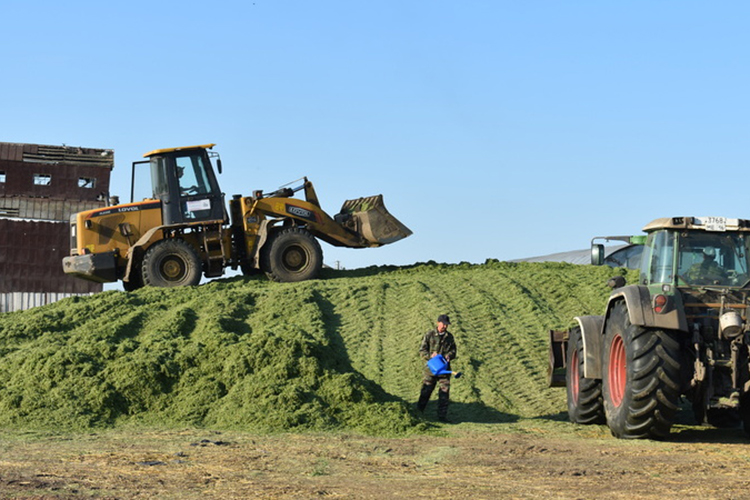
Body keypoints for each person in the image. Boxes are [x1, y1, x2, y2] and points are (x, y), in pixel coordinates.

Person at [417, 314, 458, 422]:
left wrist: (449, 355)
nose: (445, 326)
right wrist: (430, 356)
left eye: (446, 324)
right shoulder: (429, 335)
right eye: (443, 324)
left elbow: (453, 351)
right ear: (438, 323)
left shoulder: (449, 337)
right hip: (431, 369)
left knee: (444, 394)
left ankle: (442, 417)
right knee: (425, 392)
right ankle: (418, 413)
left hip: (444, 370)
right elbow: (422, 350)